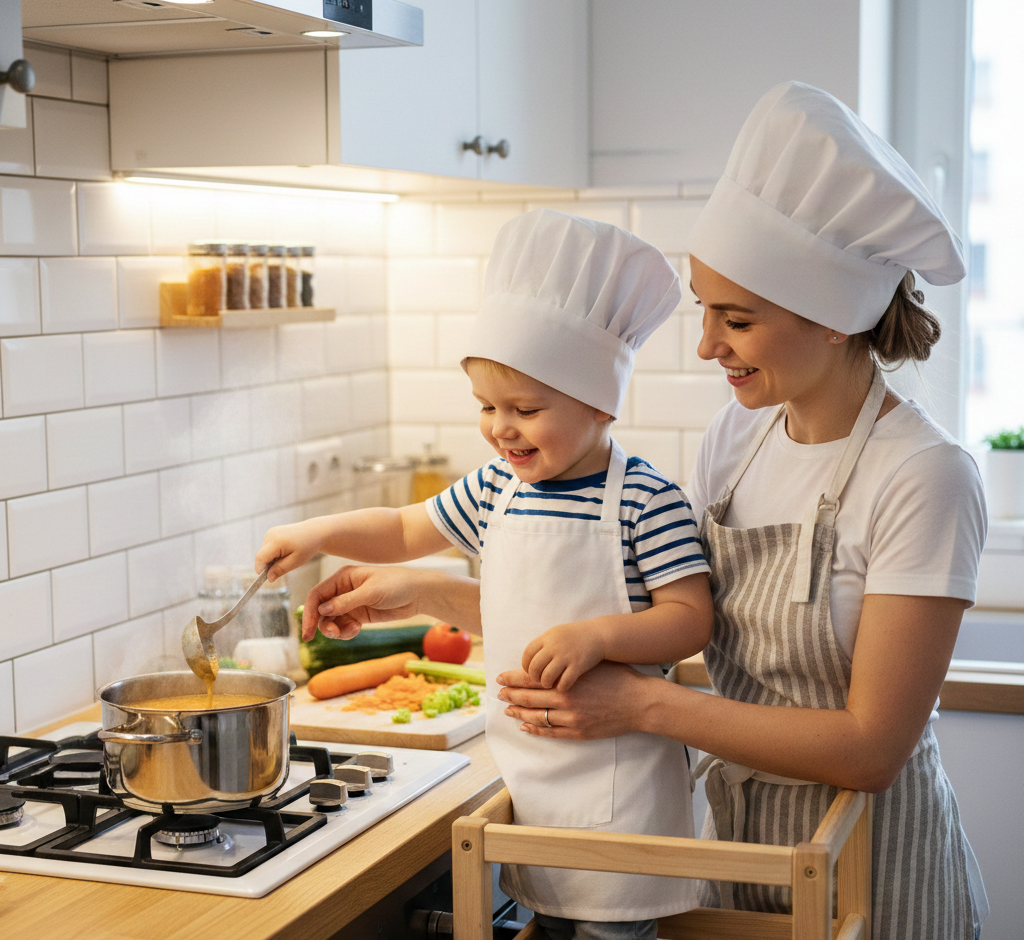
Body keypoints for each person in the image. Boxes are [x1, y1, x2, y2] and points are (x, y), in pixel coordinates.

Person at [299, 85, 989, 940]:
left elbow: (871, 749)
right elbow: (619, 614)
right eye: (704, 309)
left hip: (867, 870)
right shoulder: (738, 440)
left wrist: (643, 710)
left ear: (834, 322)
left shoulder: (926, 476)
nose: (706, 345)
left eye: (736, 319)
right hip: (731, 853)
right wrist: (428, 595)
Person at [257, 209, 714, 940]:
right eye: (487, 407)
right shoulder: (500, 486)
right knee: (549, 923)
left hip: (618, 781)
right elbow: (408, 529)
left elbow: (691, 617)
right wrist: (316, 533)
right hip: (533, 772)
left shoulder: (644, 498)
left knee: (612, 933)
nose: (501, 428)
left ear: (600, 403)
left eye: (525, 409)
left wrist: (599, 636)